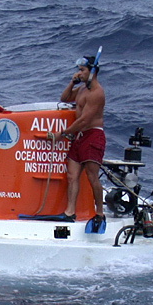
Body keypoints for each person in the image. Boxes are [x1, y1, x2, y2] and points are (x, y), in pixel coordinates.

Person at [50, 56, 106, 230]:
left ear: (92, 71)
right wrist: (72, 82)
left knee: (91, 177)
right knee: (72, 176)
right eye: (78, 70)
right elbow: (65, 98)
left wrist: (63, 134)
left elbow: (83, 120)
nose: (79, 73)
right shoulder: (81, 89)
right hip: (79, 136)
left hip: (92, 135)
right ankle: (69, 212)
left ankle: (99, 213)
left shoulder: (97, 93)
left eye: (82, 70)